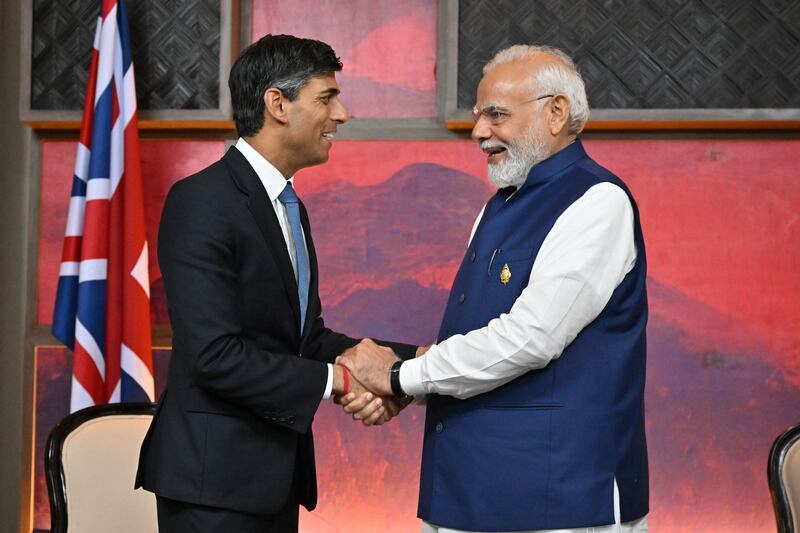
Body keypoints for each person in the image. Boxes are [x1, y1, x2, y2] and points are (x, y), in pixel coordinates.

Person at [338, 45, 649, 533]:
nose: (479, 131)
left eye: (497, 115)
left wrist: (400, 378)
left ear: (556, 112)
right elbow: (480, 342)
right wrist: (409, 387)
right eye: (479, 115)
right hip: (465, 494)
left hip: (557, 502)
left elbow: (529, 339)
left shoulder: (597, 201)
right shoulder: (499, 205)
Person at [135, 34, 415, 533]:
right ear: (277, 104)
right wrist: (345, 380)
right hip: (211, 489)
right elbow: (213, 355)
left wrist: (415, 364)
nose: (342, 114)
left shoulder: (289, 207)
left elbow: (305, 342)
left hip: (271, 481)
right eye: (327, 98)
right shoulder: (202, 201)